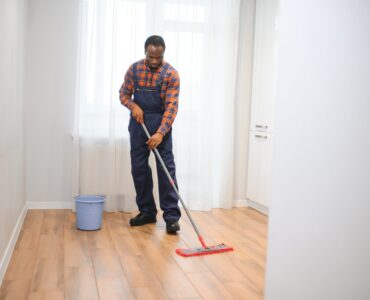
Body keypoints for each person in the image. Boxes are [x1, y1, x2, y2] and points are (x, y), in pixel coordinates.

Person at [119, 35, 181, 234]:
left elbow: (171, 107)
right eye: (151, 56)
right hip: (139, 124)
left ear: (163, 54)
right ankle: (147, 212)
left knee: (166, 171)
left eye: (159, 57)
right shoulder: (134, 69)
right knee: (139, 169)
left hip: (161, 123)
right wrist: (133, 105)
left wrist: (161, 133)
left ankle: (171, 217)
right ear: (145, 52)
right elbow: (123, 94)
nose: (154, 61)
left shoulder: (171, 74)